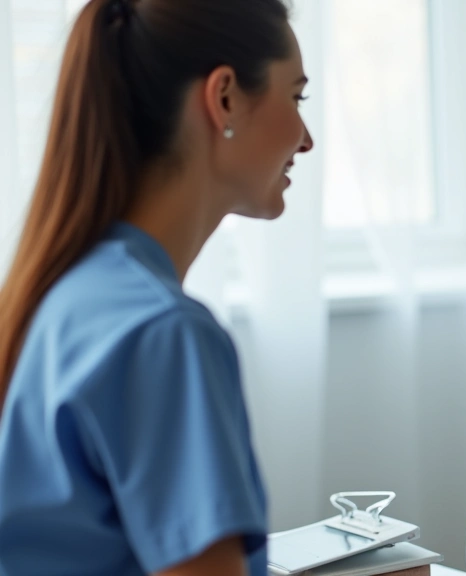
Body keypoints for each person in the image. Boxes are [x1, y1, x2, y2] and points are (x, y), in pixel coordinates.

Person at [0, 0, 313, 574]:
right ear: (223, 98)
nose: (306, 137)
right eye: (296, 97)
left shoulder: (65, 294)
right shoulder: (163, 334)